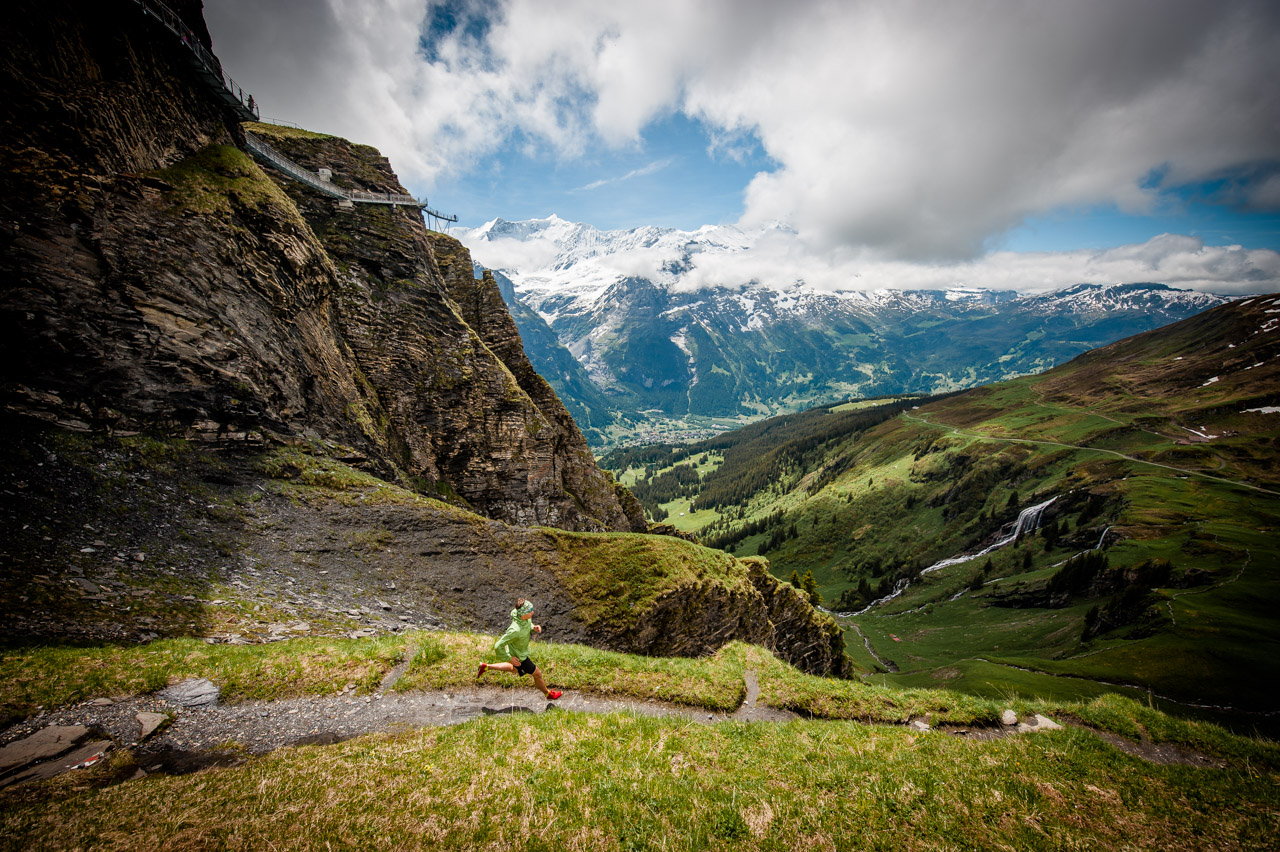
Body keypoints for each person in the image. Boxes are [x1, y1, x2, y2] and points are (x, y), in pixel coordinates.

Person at [476, 598, 562, 700]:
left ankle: (485, 667)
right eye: (530, 611)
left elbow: (528, 625)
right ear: (522, 614)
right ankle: (548, 694)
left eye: (532, 609)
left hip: (517, 651)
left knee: (514, 669)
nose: (532, 612)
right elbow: (498, 645)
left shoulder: (525, 618)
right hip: (520, 656)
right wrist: (509, 658)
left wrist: (533, 628)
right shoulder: (515, 630)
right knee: (537, 674)